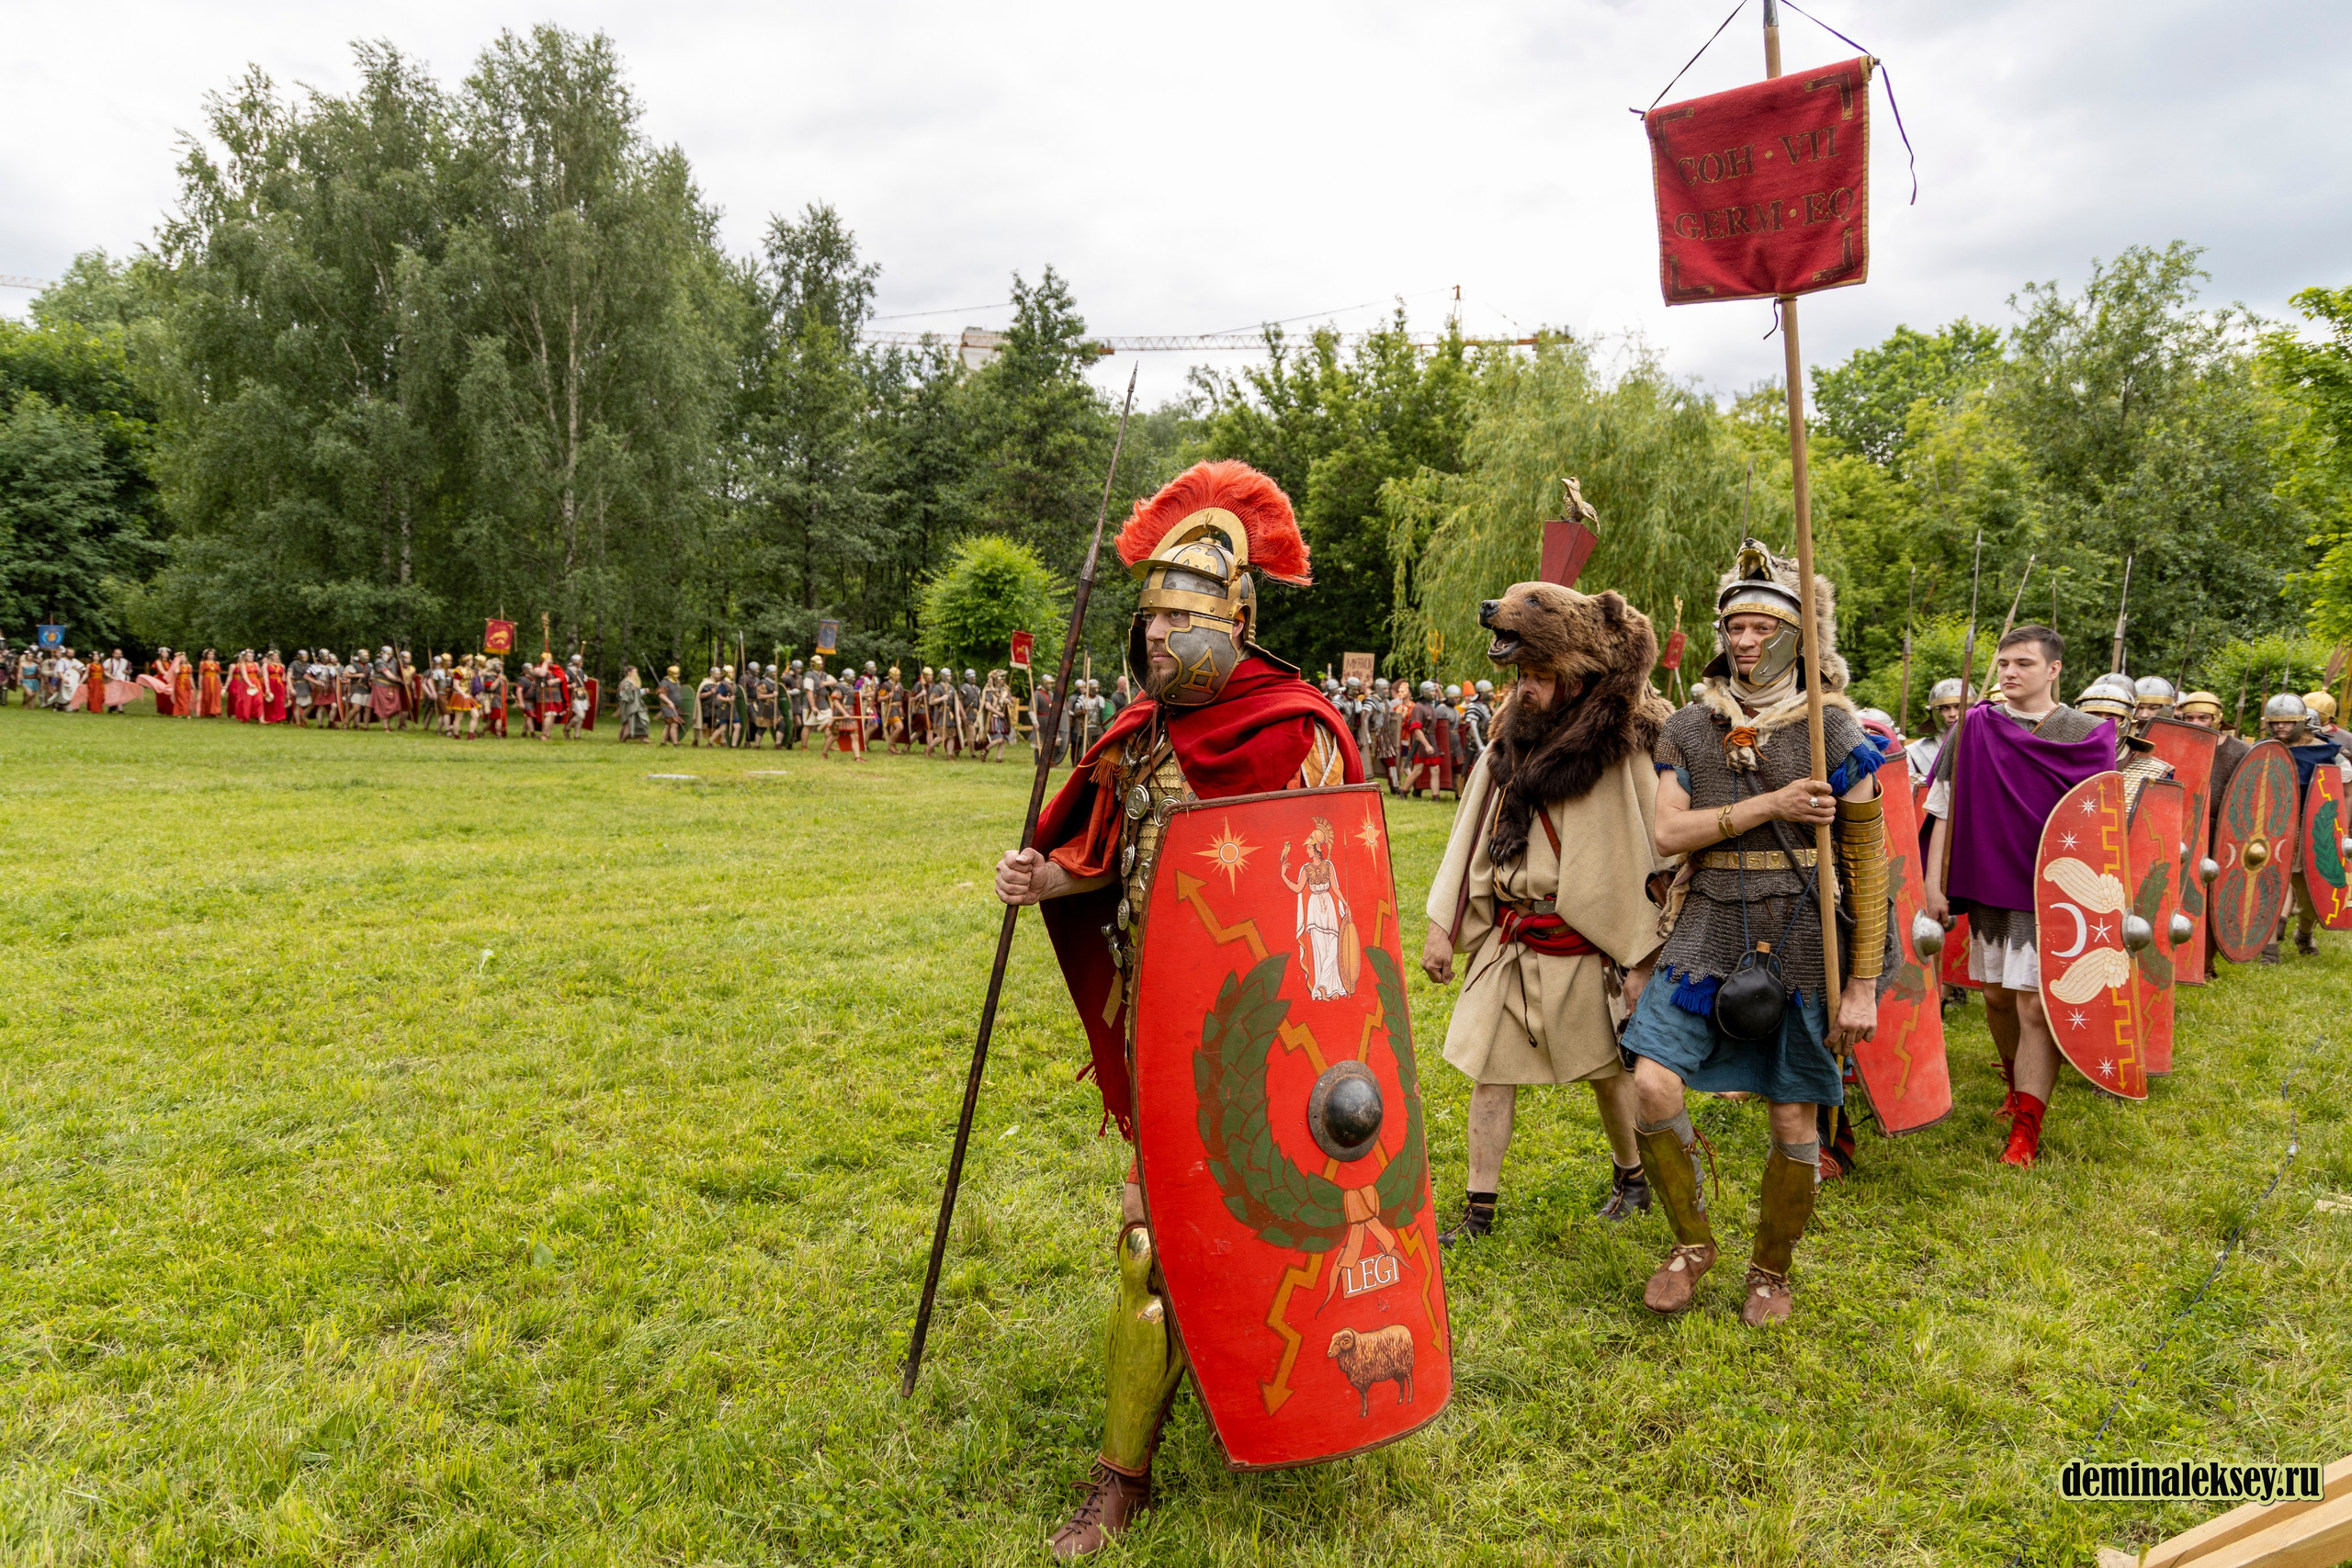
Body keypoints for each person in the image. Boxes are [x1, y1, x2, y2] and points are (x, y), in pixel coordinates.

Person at [990, 459, 1358, 1557]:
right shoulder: (1141, 733)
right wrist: (1046, 878)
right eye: (1148, 621)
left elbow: (1337, 901)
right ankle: (1120, 1478)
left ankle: (1291, 1389)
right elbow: (1105, 852)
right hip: (1164, 1021)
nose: (1156, 641)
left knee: (1282, 1225)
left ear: (1237, 621)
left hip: (1279, 1034)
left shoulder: (1301, 733)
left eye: (1180, 620)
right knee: (1147, 1241)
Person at [1623, 539, 1892, 1326]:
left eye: (1760, 629)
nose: (1743, 642)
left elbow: (1869, 861)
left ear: (1797, 638)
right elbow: (1669, 834)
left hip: (1804, 932)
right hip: (1706, 924)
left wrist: (1867, 981)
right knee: (1651, 1082)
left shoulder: (1834, 733)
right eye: (1733, 627)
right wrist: (1770, 806)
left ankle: (1770, 1269)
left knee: (1791, 1116)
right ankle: (1691, 1243)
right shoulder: (1689, 727)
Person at [1421, 579, 1675, 1241]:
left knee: (1609, 1077)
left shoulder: (1617, 752)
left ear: (1571, 676)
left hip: (1585, 945)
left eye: (1538, 675)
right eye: (1521, 675)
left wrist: (1644, 954)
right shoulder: (1511, 737)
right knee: (1488, 1072)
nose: (1523, 688)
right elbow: (1472, 828)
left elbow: (1648, 849)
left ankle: (1633, 1178)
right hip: (1511, 940)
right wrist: (1443, 929)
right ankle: (1478, 1210)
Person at [1924, 626, 2113, 1168]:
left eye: (2023, 664)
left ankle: (2027, 1128)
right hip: (1988, 883)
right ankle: (2014, 1084)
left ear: (2054, 670)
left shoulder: (2088, 734)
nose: (2008, 673)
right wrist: (1935, 884)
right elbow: (1942, 807)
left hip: (2056, 890)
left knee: (2033, 1004)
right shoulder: (1974, 726)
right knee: (1998, 997)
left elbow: (2101, 821)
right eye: (2003, 663)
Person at [1906, 677, 1967, 785]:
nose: (1953, 714)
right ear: (1933, 713)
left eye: (1959, 707)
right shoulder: (1915, 753)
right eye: (1945, 708)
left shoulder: (1984, 747)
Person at [980, 668, 1015, 761]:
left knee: (1003, 739)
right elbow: (987, 706)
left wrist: (1008, 701)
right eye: (1001, 679)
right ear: (996, 680)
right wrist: (998, 713)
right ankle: (985, 750)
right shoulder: (990, 692)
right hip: (994, 718)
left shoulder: (1006, 691)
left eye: (1003, 679)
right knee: (999, 739)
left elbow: (1011, 704)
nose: (1003, 681)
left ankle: (998, 758)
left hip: (1003, 718)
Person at [657, 666, 684, 746]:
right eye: (676, 674)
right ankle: (675, 743)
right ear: (671, 674)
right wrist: (669, 702)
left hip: (675, 707)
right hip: (667, 706)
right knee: (674, 724)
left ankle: (663, 742)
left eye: (678, 673)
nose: (678, 675)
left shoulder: (677, 681)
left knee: (668, 725)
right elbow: (660, 694)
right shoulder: (664, 682)